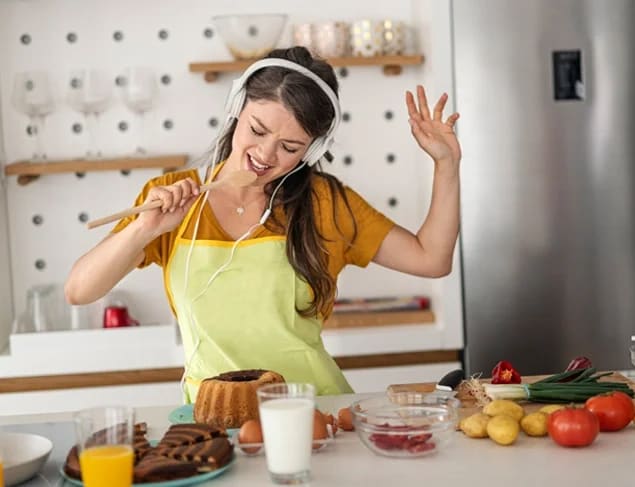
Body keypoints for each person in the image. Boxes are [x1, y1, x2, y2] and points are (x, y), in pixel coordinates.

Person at [64, 46, 461, 401]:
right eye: (257, 130)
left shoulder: (325, 203)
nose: (265, 154)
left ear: (313, 149)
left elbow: (432, 259)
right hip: (215, 420)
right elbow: (80, 291)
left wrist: (446, 164)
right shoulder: (169, 197)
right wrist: (144, 230)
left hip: (314, 411)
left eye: (290, 147)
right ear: (236, 108)